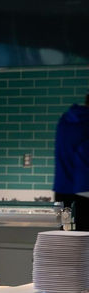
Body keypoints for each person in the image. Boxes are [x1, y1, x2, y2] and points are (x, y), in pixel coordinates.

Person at [55, 95, 89, 230]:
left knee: (62, 231)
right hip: (85, 189)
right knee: (85, 238)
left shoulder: (64, 120)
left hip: (61, 188)